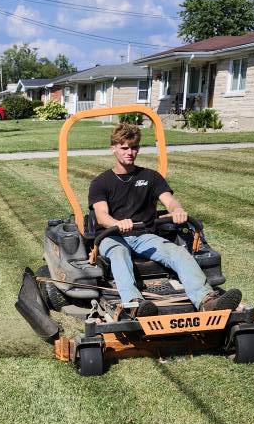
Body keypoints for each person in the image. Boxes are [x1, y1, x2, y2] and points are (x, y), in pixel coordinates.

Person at [88, 122, 241, 317]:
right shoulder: (101, 182)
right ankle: (134, 305)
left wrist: (177, 210)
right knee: (119, 253)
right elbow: (101, 215)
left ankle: (206, 300)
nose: (130, 152)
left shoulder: (150, 177)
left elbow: (169, 201)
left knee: (177, 252)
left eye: (134, 148)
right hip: (112, 236)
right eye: (124, 148)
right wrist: (117, 223)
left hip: (143, 235)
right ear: (113, 149)